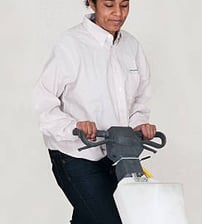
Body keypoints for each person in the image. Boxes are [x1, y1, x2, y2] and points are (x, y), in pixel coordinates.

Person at [34, 0, 156, 223]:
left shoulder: (132, 46)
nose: (118, 13)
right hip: (75, 156)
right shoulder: (70, 44)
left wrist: (139, 124)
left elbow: (139, 99)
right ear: (91, 3)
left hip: (117, 156)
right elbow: (44, 100)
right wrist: (73, 126)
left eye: (124, 5)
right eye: (109, 5)